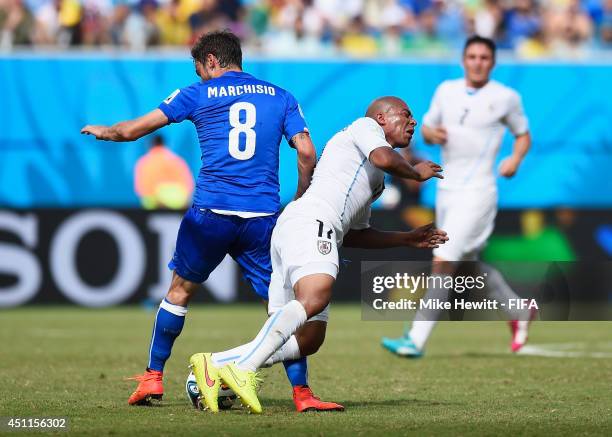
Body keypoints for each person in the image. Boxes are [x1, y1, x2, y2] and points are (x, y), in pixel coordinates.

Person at [81, 30, 341, 413]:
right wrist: (300, 198)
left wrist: (107, 132)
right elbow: (305, 151)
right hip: (262, 219)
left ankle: (153, 378)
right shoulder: (281, 96)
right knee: (282, 306)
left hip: (210, 214)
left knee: (180, 291)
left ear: (212, 62)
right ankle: (302, 395)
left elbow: (134, 129)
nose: (201, 75)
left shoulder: (197, 93)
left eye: (200, 68)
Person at [188, 96, 448, 414]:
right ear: (381, 118)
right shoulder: (365, 129)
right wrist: (415, 173)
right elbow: (382, 157)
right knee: (317, 293)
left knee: (310, 337)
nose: (413, 122)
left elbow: (356, 232)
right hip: (312, 220)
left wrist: (407, 238)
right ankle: (245, 369)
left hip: (301, 226)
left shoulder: (376, 181)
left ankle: (216, 363)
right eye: (406, 115)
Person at [381, 35, 535, 358]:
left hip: (479, 191)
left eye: (484, 57)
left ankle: (415, 338)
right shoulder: (446, 91)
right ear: (464, 60)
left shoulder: (506, 97)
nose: (478, 62)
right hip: (447, 191)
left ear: (492, 62)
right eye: (472, 56)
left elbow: (523, 135)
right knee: (467, 266)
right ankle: (520, 311)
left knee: (444, 260)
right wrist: (431, 133)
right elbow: (424, 129)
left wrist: (515, 160)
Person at [134, 134, 194, 210]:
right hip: (177, 201)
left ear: (150, 144)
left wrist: (157, 200)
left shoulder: (144, 161)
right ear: (164, 143)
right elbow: (188, 184)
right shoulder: (176, 159)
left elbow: (141, 188)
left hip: (153, 202)